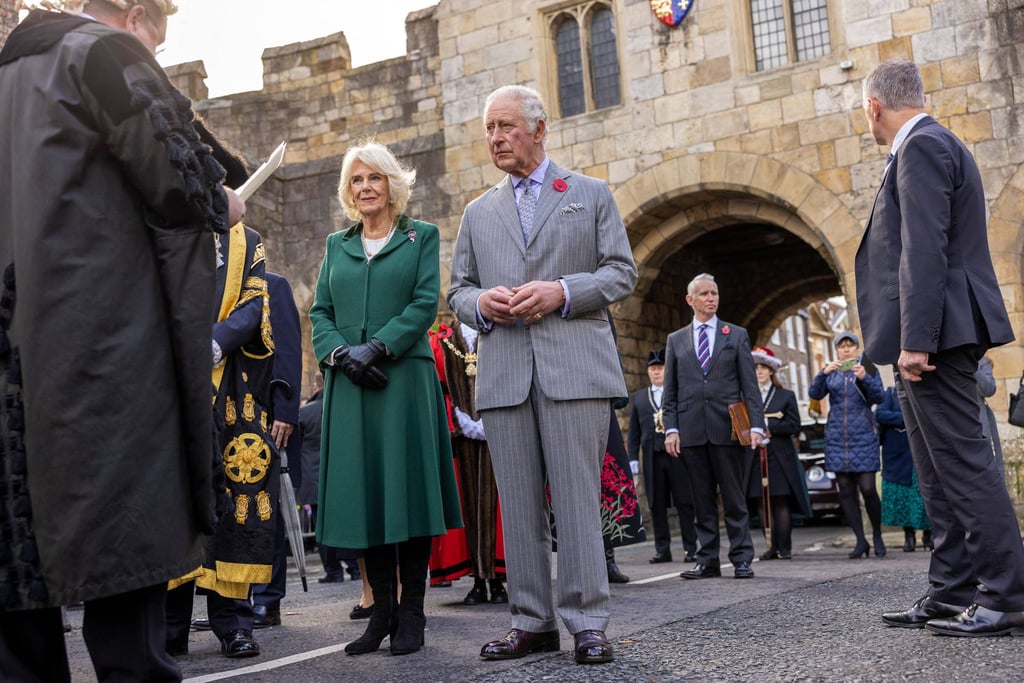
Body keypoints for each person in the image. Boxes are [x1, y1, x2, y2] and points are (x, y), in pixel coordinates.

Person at [0, 1, 240, 679]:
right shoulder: (100, 52)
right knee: (128, 622)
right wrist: (224, 201)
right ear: (136, 14)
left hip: (14, 373)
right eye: (156, 43)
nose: (153, 59)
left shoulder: (9, 66)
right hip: (99, 358)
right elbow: (182, 184)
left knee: (18, 630)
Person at [448, 85, 637, 665]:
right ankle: (531, 621)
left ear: (539, 127)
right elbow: (457, 290)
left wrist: (562, 291)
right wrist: (482, 305)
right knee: (519, 504)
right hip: (505, 374)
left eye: (506, 126)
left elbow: (621, 274)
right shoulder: (478, 212)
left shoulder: (589, 194)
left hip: (574, 372)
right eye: (488, 129)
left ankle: (586, 622)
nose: (496, 138)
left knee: (578, 500)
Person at [856, 58, 1024, 636]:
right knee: (936, 471)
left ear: (874, 105)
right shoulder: (924, 145)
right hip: (932, 333)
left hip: (937, 335)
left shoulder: (922, 146)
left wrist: (915, 341)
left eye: (865, 110)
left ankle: (1007, 594)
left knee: (966, 466)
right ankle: (952, 590)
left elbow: (923, 248)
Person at [310, 141, 462, 656]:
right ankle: (381, 616)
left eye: (374, 178)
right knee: (368, 497)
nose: (365, 188)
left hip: (402, 382)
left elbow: (425, 303)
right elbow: (320, 312)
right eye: (356, 180)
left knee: (407, 495)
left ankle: (413, 613)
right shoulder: (337, 244)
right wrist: (343, 357)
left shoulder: (421, 236)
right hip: (351, 386)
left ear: (392, 184)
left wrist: (377, 348)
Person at [663, 273, 764, 580]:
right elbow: (671, 390)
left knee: (734, 498)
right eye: (704, 294)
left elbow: (750, 385)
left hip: (728, 429)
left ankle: (742, 557)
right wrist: (671, 428)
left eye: (714, 293)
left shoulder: (735, 334)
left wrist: (757, 425)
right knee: (701, 500)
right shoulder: (675, 340)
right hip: (692, 432)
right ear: (690, 300)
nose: (711, 298)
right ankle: (707, 560)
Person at [431, 321, 508, 604]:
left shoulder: (501, 331)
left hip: (498, 433)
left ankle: (498, 580)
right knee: (466, 506)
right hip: (459, 438)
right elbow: (437, 389)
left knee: (499, 508)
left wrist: (497, 417)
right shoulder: (441, 340)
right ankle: (477, 579)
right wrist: (458, 419)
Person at [252, 271, 304, 628]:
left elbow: (287, 348)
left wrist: (284, 410)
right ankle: (230, 602)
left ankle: (267, 600)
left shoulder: (274, 285)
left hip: (265, 414)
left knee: (265, 509)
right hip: (222, 414)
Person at [807, 331, 886, 559]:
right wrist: (823, 373)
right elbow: (814, 393)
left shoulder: (868, 369)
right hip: (837, 438)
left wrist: (865, 378)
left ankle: (877, 535)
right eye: (842, 346)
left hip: (863, 436)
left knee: (868, 489)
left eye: (850, 346)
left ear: (856, 348)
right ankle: (861, 541)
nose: (846, 349)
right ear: (837, 350)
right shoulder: (831, 373)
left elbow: (879, 397)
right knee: (846, 491)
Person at [628, 348, 697, 564]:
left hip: (677, 455)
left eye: (660, 368)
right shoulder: (639, 398)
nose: (656, 372)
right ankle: (662, 549)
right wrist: (633, 461)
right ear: (648, 372)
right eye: (653, 369)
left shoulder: (676, 394)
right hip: (652, 458)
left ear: (667, 371)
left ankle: (691, 548)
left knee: (685, 502)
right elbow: (633, 433)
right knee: (656, 505)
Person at [745, 347, 811, 560]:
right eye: (755, 368)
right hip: (755, 456)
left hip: (779, 456)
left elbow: (794, 425)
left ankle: (785, 547)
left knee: (780, 500)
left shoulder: (786, 396)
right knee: (761, 502)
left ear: (771, 371)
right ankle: (771, 546)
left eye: (763, 368)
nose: (759, 372)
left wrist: (768, 424)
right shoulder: (747, 396)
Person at [875, 387, 931, 552]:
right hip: (898, 455)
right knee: (903, 497)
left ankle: (929, 534)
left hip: (922, 452)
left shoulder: (925, 391)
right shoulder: (891, 394)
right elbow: (880, 414)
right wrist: (907, 417)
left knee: (924, 496)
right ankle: (909, 535)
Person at [975, 355, 1004, 478]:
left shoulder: (982, 362)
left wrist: (972, 365)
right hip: (954, 423)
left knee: (990, 467)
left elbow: (989, 390)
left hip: (979, 421)